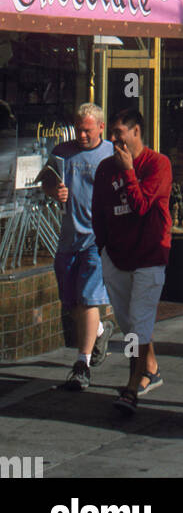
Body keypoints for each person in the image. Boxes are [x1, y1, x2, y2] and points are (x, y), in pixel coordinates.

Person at [91, 108, 172, 415]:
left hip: (149, 256)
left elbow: (140, 207)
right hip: (116, 256)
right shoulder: (103, 169)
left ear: (136, 132)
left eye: (118, 133)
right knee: (129, 325)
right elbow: (98, 212)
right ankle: (150, 368)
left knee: (138, 325)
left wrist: (127, 171)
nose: (113, 139)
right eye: (111, 133)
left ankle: (131, 387)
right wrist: (102, 249)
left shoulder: (158, 164)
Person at [41, 103, 115, 391]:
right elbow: (47, 182)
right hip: (69, 238)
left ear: (100, 128)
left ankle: (82, 364)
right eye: (79, 129)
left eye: (87, 130)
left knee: (87, 299)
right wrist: (53, 190)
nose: (82, 135)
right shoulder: (62, 152)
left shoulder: (110, 154)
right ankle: (98, 330)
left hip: (97, 240)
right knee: (71, 301)